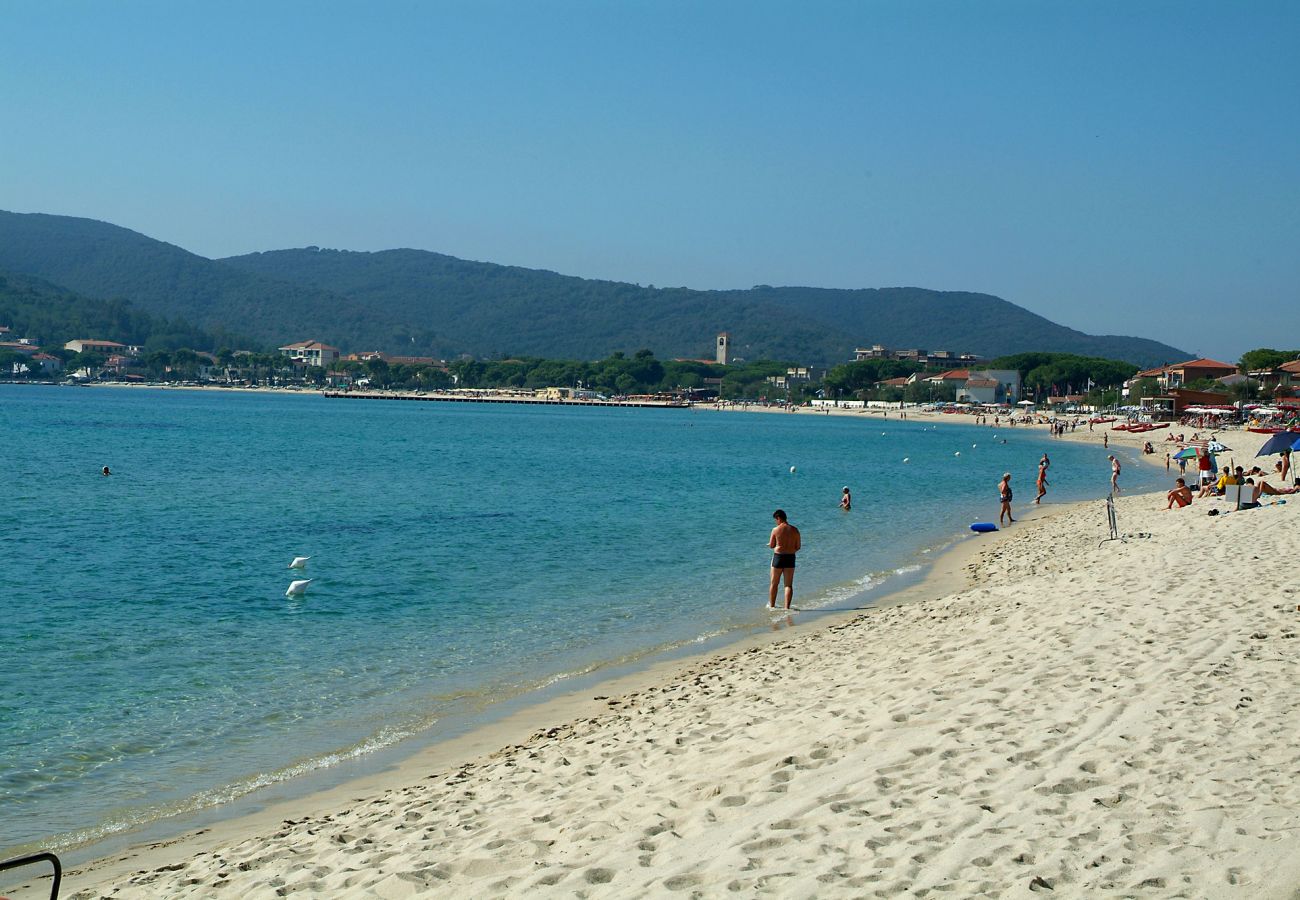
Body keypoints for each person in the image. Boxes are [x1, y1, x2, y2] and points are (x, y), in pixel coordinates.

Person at [768, 509, 801, 610]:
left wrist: (771, 545)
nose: (776, 522)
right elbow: (798, 546)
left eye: (776, 520)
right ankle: (787, 608)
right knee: (788, 585)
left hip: (779, 557)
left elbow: (772, 545)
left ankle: (772, 606)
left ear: (778, 518)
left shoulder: (775, 530)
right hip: (790, 557)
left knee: (774, 583)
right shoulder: (795, 530)